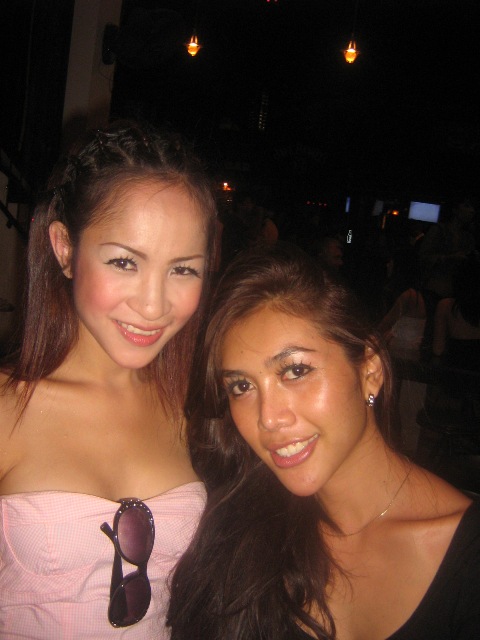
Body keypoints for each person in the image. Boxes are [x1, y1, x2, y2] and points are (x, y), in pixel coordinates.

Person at [167, 244, 479, 640]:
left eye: (295, 371)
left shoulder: (466, 561)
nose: (268, 418)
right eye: (242, 386)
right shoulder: (238, 528)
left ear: (370, 370)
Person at [0, 120, 217, 638]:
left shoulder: (191, 408)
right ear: (64, 248)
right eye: (124, 262)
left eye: (183, 269)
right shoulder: (8, 408)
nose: (153, 305)